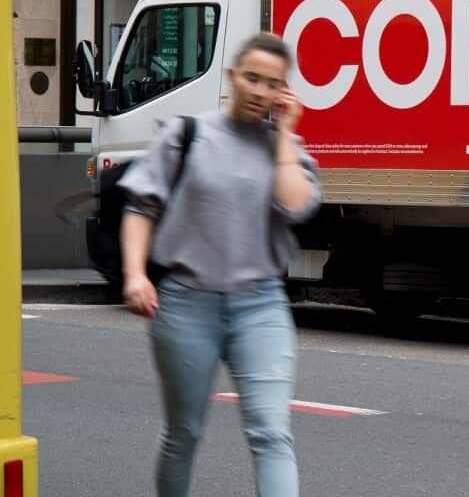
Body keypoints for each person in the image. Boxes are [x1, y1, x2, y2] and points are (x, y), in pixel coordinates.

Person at [118, 32, 320, 497]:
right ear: (232, 77)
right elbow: (140, 207)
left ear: (283, 91)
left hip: (261, 307)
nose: (260, 91)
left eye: (272, 84)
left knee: (271, 433)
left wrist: (286, 133)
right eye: (252, 78)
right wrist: (134, 274)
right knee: (183, 434)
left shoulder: (286, 150)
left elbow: (296, 206)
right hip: (186, 305)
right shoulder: (186, 134)